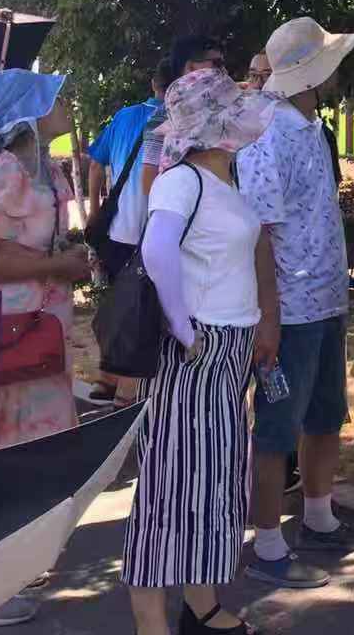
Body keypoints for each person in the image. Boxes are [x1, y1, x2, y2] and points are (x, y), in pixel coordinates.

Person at [123, 68, 275, 635]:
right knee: (171, 484)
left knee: (210, 480)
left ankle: (203, 606)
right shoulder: (182, 180)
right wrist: (186, 330)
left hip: (224, 351)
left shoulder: (216, 181)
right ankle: (153, 623)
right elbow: (158, 249)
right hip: (197, 354)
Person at [0, 70, 93, 627]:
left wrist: (65, 258)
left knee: (31, 454)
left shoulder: (43, 170)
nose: (67, 103)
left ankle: (8, 569)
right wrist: (57, 265)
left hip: (34, 339)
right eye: (56, 97)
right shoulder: (2, 171)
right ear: (30, 115)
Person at [237, 17, 354, 589]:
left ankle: (317, 514)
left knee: (325, 414)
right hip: (289, 309)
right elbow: (259, 232)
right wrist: (269, 317)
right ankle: (266, 543)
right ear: (313, 74)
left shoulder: (309, 126)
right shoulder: (268, 134)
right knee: (277, 427)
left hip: (324, 299)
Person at [86, 66, 167, 403]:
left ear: (153, 83)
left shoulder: (124, 117)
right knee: (143, 314)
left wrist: (94, 211)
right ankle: (128, 393)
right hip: (155, 233)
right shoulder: (179, 120)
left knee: (118, 305)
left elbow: (95, 164)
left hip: (119, 231)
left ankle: (107, 378)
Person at [140, 37, 226, 197]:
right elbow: (148, 185)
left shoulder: (221, 110)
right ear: (190, 67)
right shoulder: (163, 117)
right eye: (216, 64)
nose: (223, 71)